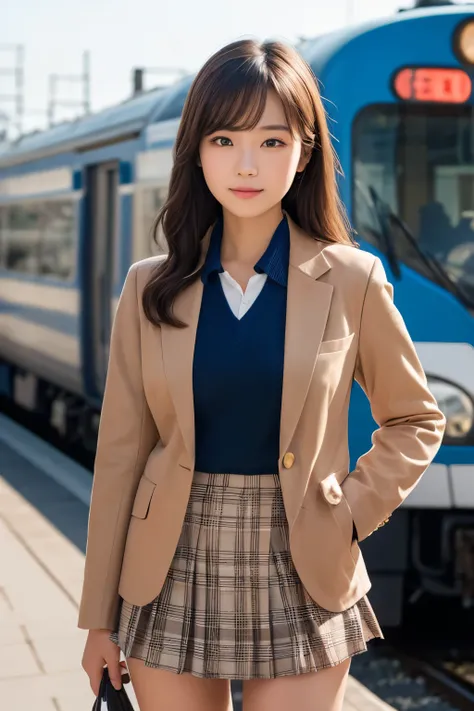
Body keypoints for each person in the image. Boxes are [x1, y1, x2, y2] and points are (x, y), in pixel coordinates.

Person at [78, 39, 446, 711]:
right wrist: (97, 618)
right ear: (197, 150)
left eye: (272, 141)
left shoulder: (352, 279)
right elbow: (121, 455)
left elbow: (417, 419)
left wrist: (351, 511)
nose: (247, 164)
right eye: (225, 139)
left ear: (305, 152)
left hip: (307, 560)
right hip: (170, 564)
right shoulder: (149, 287)